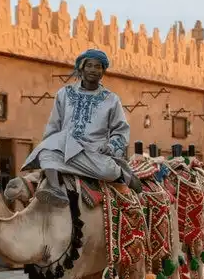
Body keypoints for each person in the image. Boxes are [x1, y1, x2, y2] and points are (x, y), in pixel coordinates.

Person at [22, 49, 143, 206]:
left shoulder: (111, 99)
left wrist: (111, 147)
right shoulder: (64, 93)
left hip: (94, 152)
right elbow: (54, 124)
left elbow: (120, 130)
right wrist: (49, 145)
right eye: (89, 66)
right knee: (46, 155)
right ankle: (55, 189)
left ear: (103, 71)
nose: (93, 70)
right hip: (65, 148)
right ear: (81, 68)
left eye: (98, 67)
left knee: (108, 171)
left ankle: (122, 174)